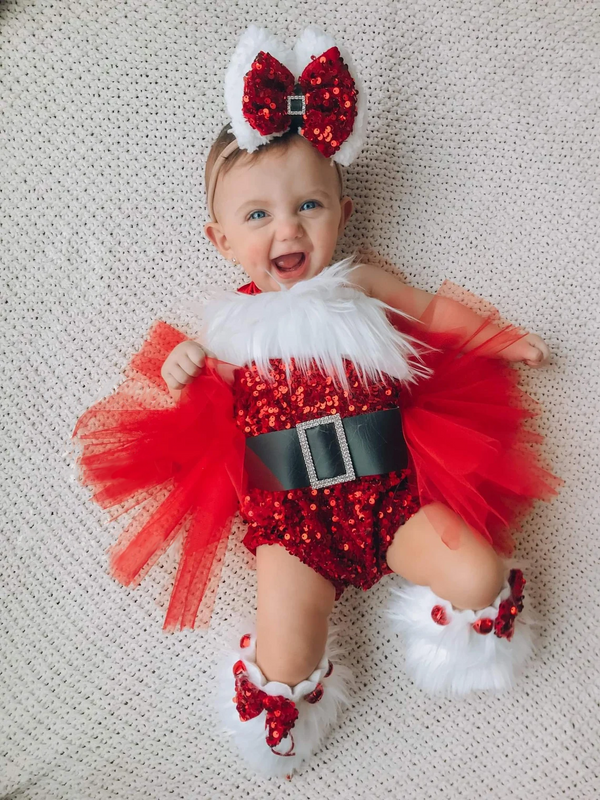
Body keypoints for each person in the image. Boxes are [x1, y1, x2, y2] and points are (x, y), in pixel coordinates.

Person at [71, 26, 562, 778]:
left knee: (478, 575)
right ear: (222, 239)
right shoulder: (231, 328)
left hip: (394, 493)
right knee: (286, 648)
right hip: (292, 519)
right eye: (258, 216)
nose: (288, 229)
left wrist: (501, 336)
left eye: (308, 204)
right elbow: (205, 410)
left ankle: (454, 645)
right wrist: (185, 364)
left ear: (343, 208)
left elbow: (433, 313)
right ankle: (281, 716)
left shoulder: (361, 283)